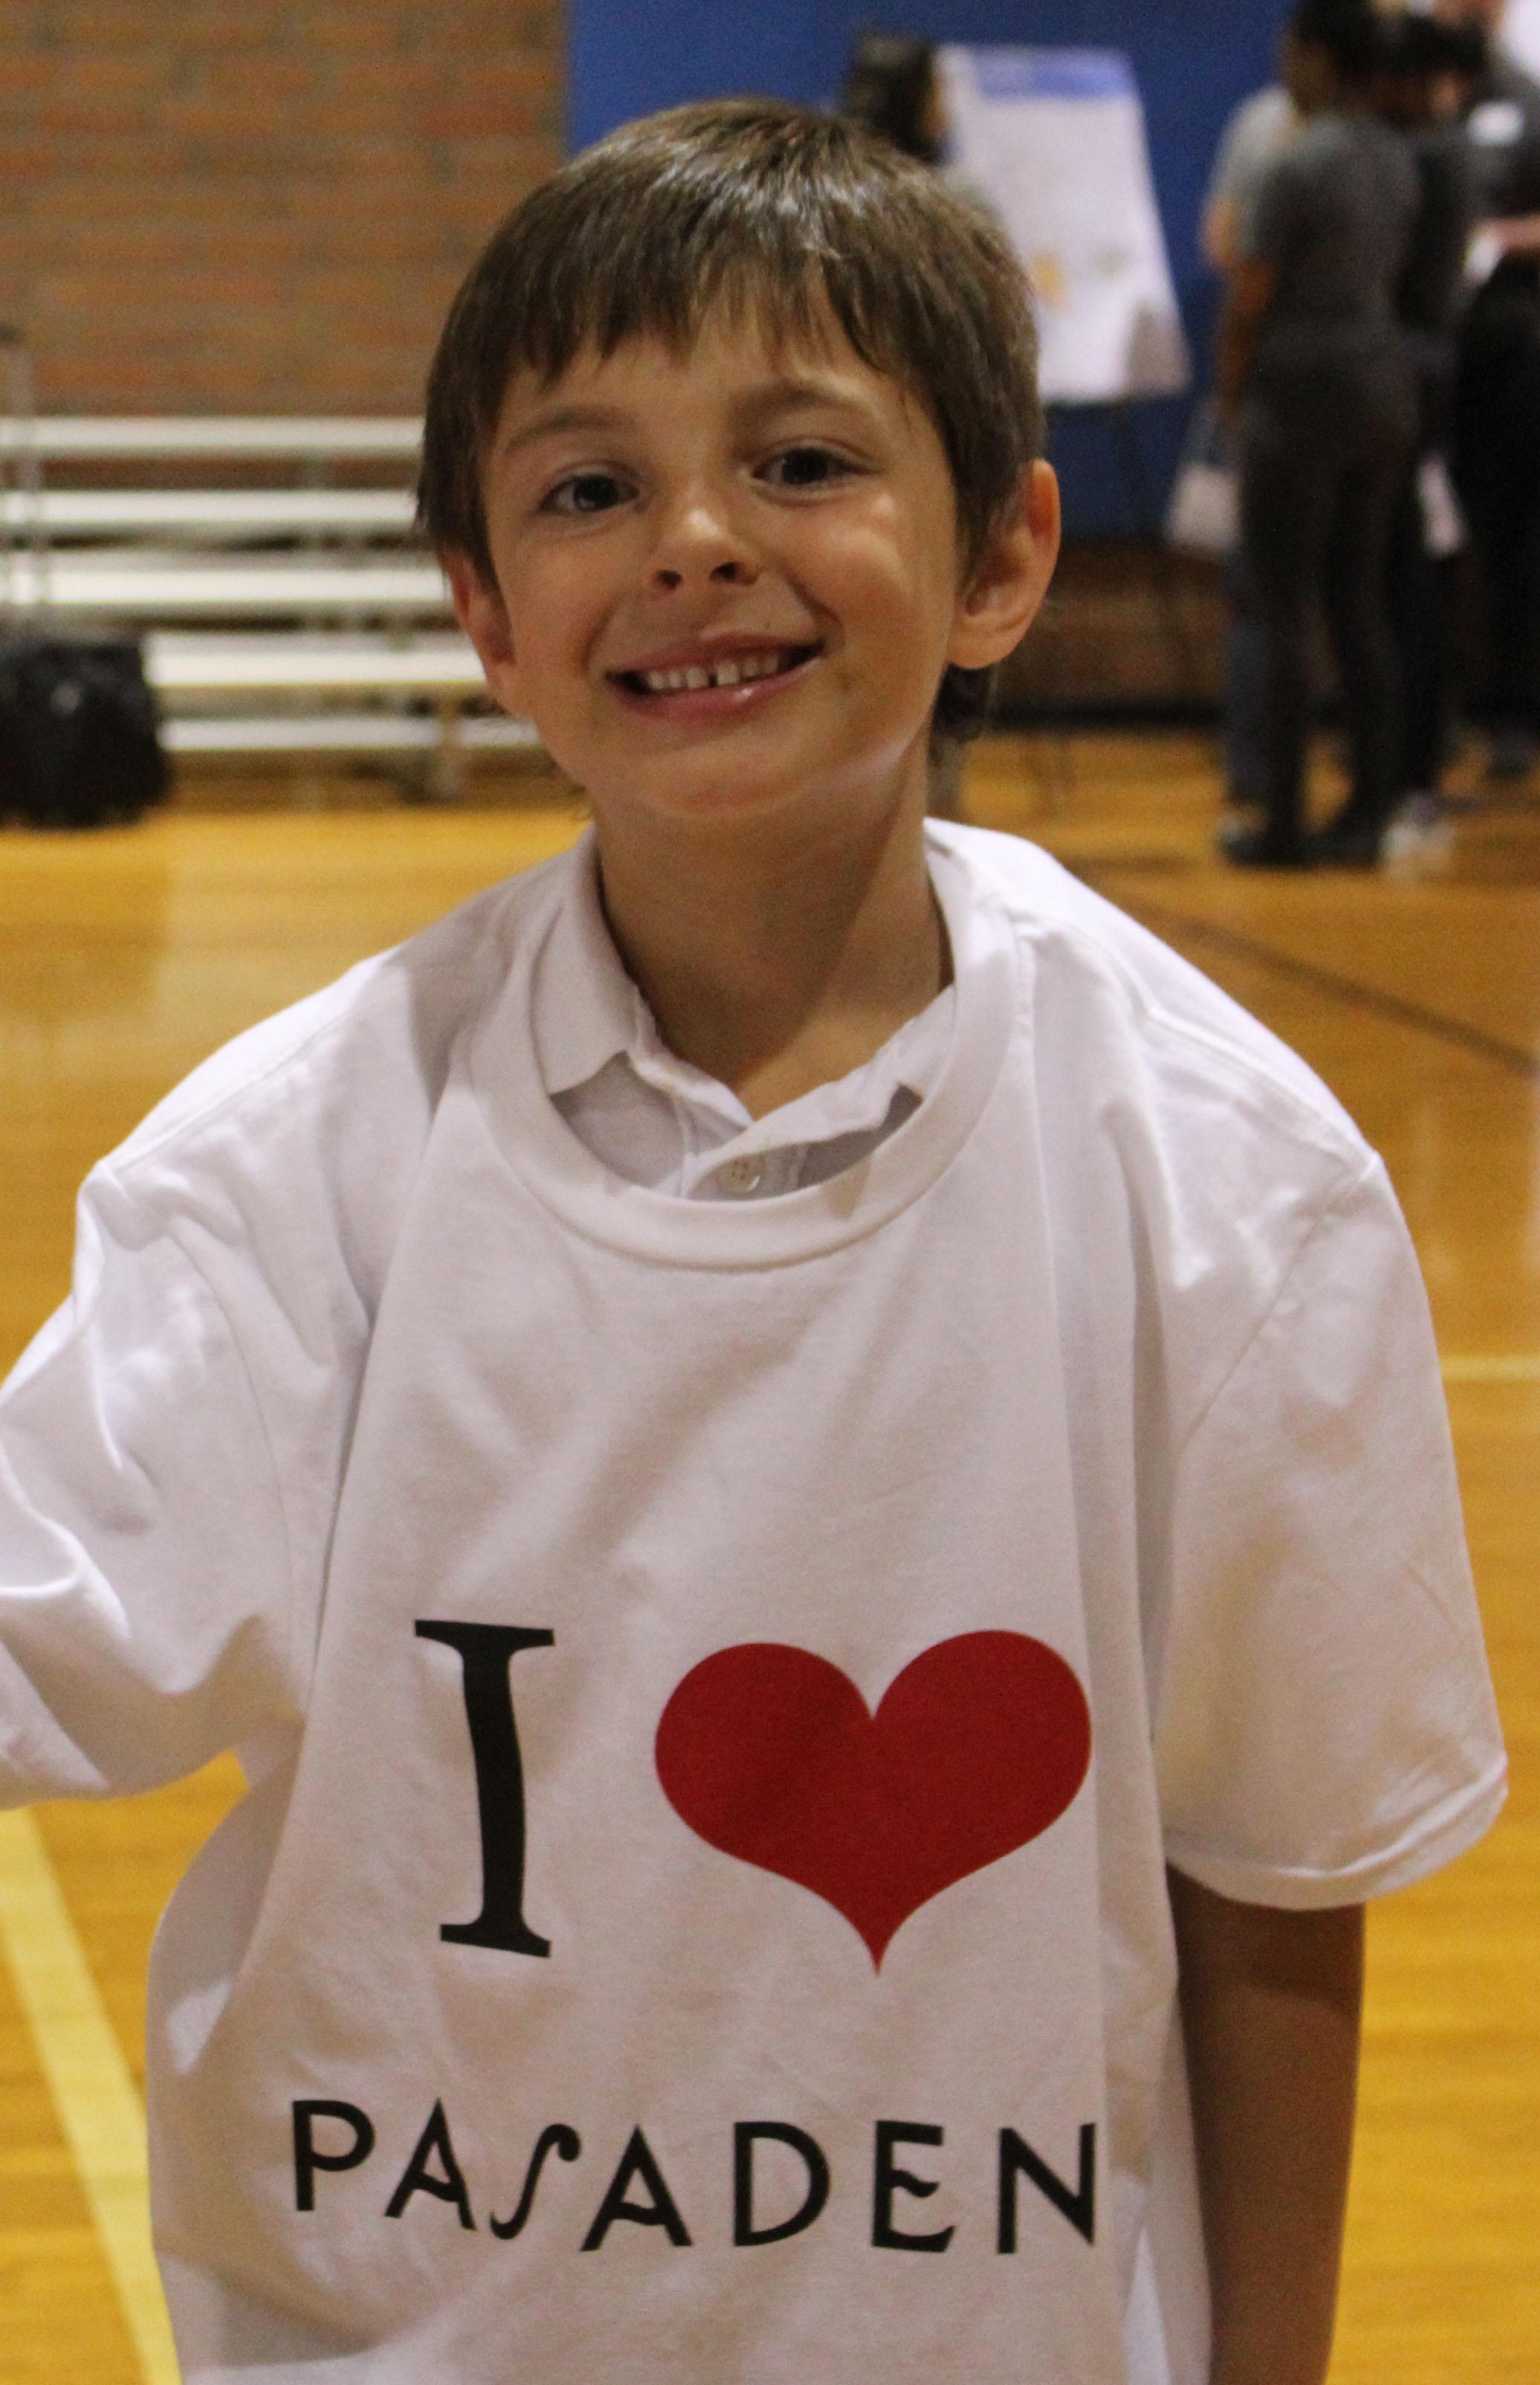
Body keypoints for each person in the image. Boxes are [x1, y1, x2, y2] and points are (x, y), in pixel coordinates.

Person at [0, 100, 1504, 2385]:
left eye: (802, 462)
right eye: (589, 487)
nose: (696, 541)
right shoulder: (294, 1168)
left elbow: (1274, 1875)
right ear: (486, 610)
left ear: (1003, 554)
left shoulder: (1233, 1185)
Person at [1218, 0, 1420, 866]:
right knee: (1359, 602)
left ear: (1319, 60)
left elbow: (1249, 297)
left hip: (1297, 391)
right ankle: (1372, 809)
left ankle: (1285, 820)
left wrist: (1230, 398)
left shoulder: (1293, 166)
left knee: (1285, 604)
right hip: (1381, 386)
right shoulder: (1395, 159)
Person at [1374, 10, 1484, 858]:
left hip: (1415, 390)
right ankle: (1407, 763)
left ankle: (1409, 769)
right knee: (1409, 579)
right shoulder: (1433, 152)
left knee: (1409, 582)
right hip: (1421, 382)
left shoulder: (1425, 157)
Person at [1442, 0, 1540, 777]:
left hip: (1509, 350)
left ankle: (1509, 711)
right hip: (1427, 356)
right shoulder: (1424, 101)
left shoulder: (1524, 99)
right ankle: (1427, 719)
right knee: (1428, 547)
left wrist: (1502, 240)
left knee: (1512, 540)